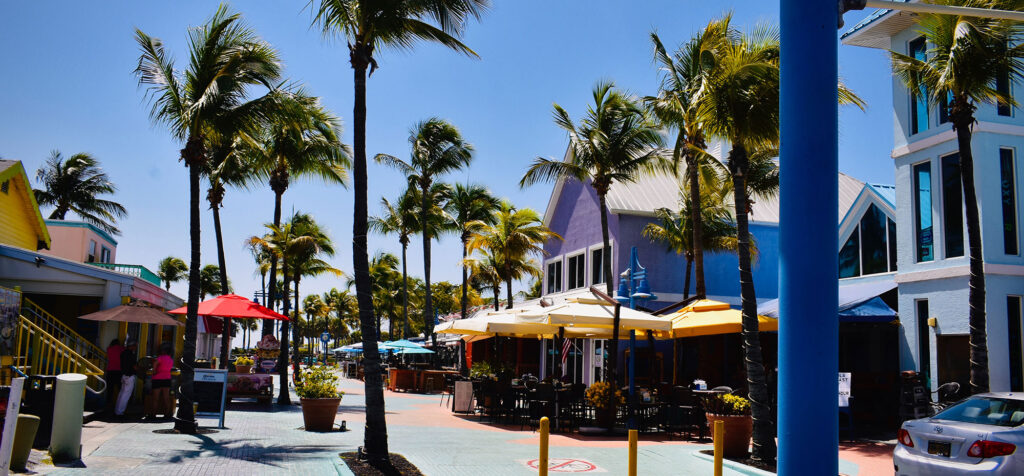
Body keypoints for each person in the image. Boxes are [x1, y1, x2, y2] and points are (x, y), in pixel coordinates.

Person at [145, 343, 174, 421]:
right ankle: (167, 414)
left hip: (157, 379)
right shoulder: (171, 359)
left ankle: (153, 414)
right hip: (167, 379)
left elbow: (155, 364)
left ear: (163, 351)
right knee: (166, 397)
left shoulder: (160, 358)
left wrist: (154, 371)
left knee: (155, 398)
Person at [114, 339, 138, 417]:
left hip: (124, 375)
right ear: (132, 346)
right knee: (126, 395)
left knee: (121, 393)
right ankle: (120, 412)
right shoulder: (131, 354)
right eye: (135, 346)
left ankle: (117, 410)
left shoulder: (123, 353)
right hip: (129, 376)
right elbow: (134, 366)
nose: (136, 347)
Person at [104, 339, 124, 415]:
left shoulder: (109, 349)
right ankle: (119, 407)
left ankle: (108, 406)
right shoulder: (122, 349)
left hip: (110, 371)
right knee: (120, 390)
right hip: (119, 371)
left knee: (110, 390)